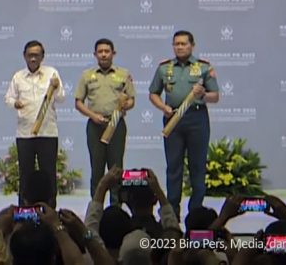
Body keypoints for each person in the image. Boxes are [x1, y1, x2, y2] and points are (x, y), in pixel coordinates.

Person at [148, 30, 219, 216]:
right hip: (173, 119)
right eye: (176, 44)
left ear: (192, 45)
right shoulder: (164, 68)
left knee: (197, 166)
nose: (179, 47)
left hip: (196, 118)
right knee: (173, 167)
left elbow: (215, 96)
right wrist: (163, 107)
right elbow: (153, 93)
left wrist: (202, 94)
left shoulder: (203, 67)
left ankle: (196, 211)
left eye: (183, 44)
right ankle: (172, 211)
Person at [5, 40, 64, 207]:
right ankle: (24, 209)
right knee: (25, 174)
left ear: (42, 57)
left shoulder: (52, 73)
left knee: (48, 174)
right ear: (24, 56)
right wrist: (15, 103)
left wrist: (56, 87)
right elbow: (8, 98)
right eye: (30, 55)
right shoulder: (18, 77)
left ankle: (50, 209)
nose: (33, 59)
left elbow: (61, 98)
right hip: (25, 133)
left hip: (48, 132)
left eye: (36, 55)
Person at [75, 37, 136, 197]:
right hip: (95, 125)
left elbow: (131, 100)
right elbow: (79, 102)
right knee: (97, 167)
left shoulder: (123, 74)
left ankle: (116, 205)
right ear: (95, 54)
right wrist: (92, 115)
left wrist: (125, 105)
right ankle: (96, 204)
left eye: (107, 51)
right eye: (100, 51)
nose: (103, 54)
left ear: (113, 53)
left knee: (116, 168)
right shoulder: (87, 75)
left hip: (116, 124)